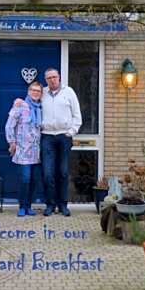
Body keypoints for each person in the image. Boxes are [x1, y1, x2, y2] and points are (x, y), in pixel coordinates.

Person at [40, 68, 81, 217]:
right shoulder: (42, 93)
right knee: (48, 174)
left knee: (63, 172)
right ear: (46, 80)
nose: (52, 80)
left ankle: (63, 205)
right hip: (47, 137)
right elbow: (30, 103)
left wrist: (71, 132)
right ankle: (50, 205)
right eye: (49, 78)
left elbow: (77, 115)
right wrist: (18, 103)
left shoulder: (68, 92)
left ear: (59, 77)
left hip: (64, 136)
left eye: (54, 77)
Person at [5, 81, 43, 217]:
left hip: (37, 153)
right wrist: (12, 142)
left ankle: (29, 206)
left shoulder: (41, 108)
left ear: (41, 93)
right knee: (25, 179)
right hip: (22, 151)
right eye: (33, 90)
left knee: (34, 180)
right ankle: (22, 206)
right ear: (28, 91)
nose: (35, 92)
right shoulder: (19, 106)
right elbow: (9, 126)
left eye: (38, 91)